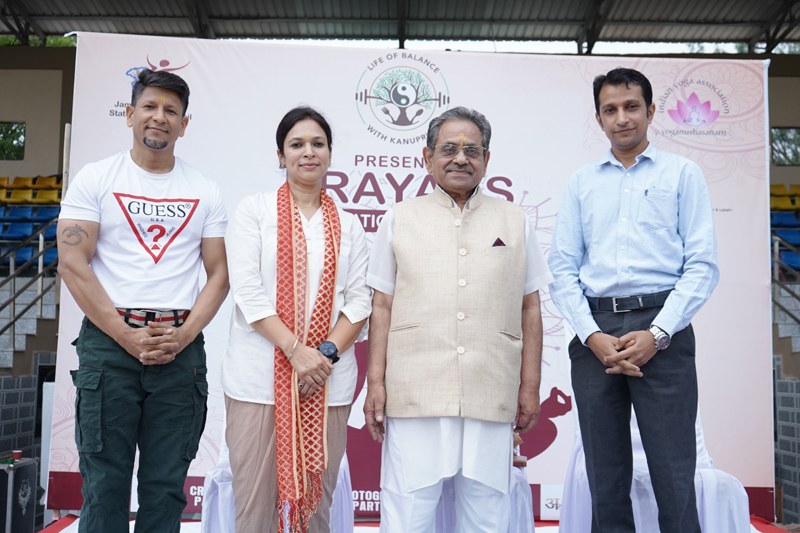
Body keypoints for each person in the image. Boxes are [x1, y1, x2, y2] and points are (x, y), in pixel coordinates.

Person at [363, 106, 553, 532]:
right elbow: (381, 306)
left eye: (472, 150)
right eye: (449, 149)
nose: (460, 158)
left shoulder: (515, 220)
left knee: (487, 516)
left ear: (487, 159)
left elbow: (530, 307)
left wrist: (530, 386)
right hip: (415, 390)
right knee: (408, 515)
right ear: (427, 157)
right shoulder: (399, 218)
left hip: (491, 388)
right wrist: (375, 384)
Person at [57, 69, 229, 533]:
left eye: (171, 110)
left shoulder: (205, 190)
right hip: (109, 348)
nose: (160, 117)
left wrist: (184, 335)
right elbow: (73, 262)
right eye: (150, 107)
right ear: (130, 114)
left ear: (184, 124)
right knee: (105, 484)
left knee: (166, 485)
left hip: (179, 350)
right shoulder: (95, 178)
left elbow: (220, 273)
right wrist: (125, 335)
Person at [548, 67, 719, 533]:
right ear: (599, 118)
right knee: (604, 474)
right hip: (595, 334)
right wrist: (592, 336)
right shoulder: (582, 183)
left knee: (673, 471)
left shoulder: (683, 174)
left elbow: (702, 265)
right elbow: (561, 269)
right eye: (610, 110)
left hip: (662, 327)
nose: (621, 118)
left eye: (631, 107)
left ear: (650, 111)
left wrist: (659, 333)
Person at [221, 106, 371, 533]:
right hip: (257, 382)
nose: (309, 152)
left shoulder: (350, 224)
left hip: (327, 381)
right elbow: (248, 292)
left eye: (318, 143)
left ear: (329, 153)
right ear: (280, 155)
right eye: (297, 144)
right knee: (254, 503)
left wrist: (321, 356)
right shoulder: (255, 211)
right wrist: (294, 351)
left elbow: (359, 302)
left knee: (317, 505)